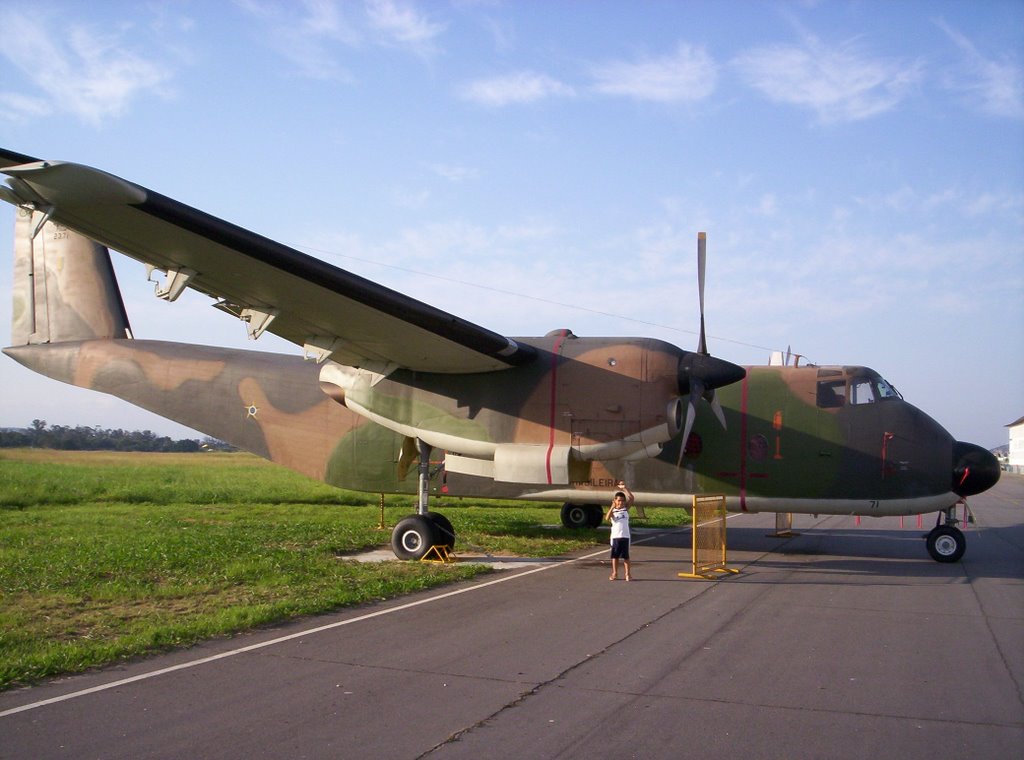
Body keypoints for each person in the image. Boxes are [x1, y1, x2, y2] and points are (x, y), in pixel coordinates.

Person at [605, 481, 635, 581]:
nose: (621, 502)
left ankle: (628, 574)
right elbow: (607, 518)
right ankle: (615, 573)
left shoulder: (625, 509)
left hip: (625, 536)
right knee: (615, 556)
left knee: (626, 557)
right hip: (615, 537)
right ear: (615, 501)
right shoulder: (613, 511)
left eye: (622, 501)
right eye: (619, 500)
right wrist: (612, 507)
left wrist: (624, 489)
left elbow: (632, 498)